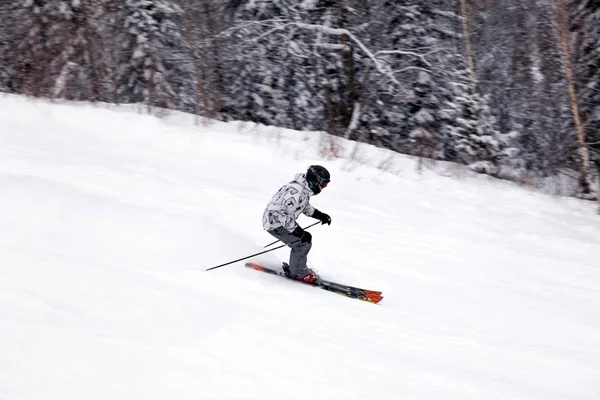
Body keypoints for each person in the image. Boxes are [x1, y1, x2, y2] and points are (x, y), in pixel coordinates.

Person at [262, 165, 332, 284]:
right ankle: (298, 273)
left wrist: (320, 215)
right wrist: (298, 232)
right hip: (275, 223)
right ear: (315, 181)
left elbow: (303, 206)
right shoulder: (296, 192)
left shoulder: (303, 190)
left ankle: (299, 268)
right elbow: (283, 213)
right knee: (302, 243)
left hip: (278, 220)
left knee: (304, 240)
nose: (323, 187)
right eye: (323, 184)